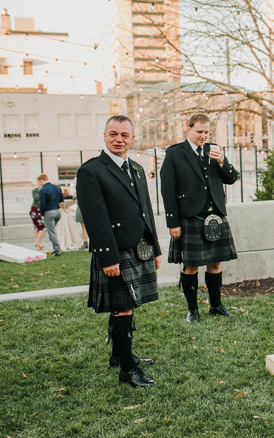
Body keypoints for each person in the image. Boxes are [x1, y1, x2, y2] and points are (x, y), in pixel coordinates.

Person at [76, 115, 161, 388]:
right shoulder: (91, 171)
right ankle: (127, 369)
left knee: (127, 306)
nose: (118, 139)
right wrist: (107, 256)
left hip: (138, 248)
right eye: (113, 134)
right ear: (104, 136)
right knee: (123, 307)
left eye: (124, 135)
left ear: (132, 139)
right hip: (115, 251)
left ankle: (119, 355)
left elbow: (146, 211)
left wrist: (155, 249)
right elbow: (95, 217)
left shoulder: (136, 168)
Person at [160, 113, 239, 323]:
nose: (203, 136)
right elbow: (167, 190)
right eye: (199, 132)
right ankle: (193, 310)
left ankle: (216, 305)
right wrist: (173, 222)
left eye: (206, 132)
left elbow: (231, 178)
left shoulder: (214, 150)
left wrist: (223, 163)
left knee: (215, 264)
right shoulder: (175, 154)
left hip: (216, 215)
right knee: (191, 266)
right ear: (189, 130)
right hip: (191, 217)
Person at [37, 173, 64, 257]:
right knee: (52, 231)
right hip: (58, 212)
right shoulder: (57, 187)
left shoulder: (43, 190)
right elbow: (61, 199)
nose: (38, 183)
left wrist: (41, 214)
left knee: (51, 232)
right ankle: (54, 246)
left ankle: (57, 250)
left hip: (49, 212)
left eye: (38, 181)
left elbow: (42, 204)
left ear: (42, 180)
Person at [30, 177, 47, 250]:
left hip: (39, 209)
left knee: (38, 227)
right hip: (36, 210)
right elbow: (37, 199)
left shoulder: (44, 189)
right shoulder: (35, 190)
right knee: (42, 227)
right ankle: (37, 242)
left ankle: (38, 244)